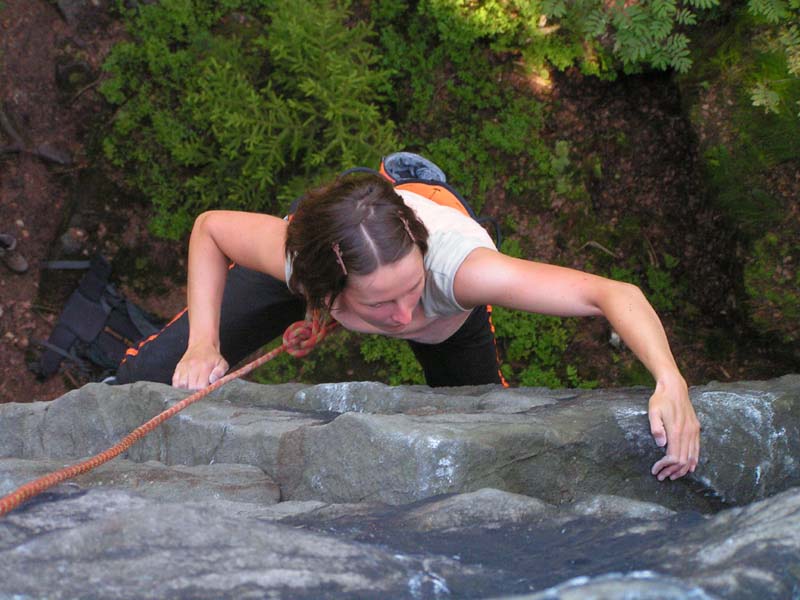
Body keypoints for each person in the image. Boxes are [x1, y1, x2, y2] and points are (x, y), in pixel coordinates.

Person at [115, 158, 700, 482]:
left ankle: (422, 184)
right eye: (379, 306)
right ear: (325, 291)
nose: (403, 317)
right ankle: (398, 185)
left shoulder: (461, 273)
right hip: (335, 254)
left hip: (442, 269)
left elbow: (611, 292)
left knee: (485, 429)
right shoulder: (298, 257)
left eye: (409, 289)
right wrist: (203, 343)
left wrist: (670, 381)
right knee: (160, 372)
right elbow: (210, 229)